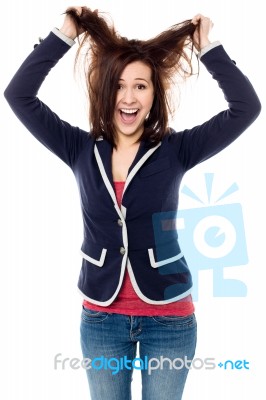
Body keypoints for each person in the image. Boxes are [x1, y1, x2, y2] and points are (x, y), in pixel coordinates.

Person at [4, 5, 261, 400]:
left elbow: (246, 108)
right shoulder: (78, 148)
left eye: (140, 85)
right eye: (119, 85)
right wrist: (64, 35)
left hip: (169, 318)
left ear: (154, 94)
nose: (128, 97)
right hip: (102, 318)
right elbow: (18, 95)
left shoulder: (177, 149)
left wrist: (209, 48)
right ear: (106, 91)